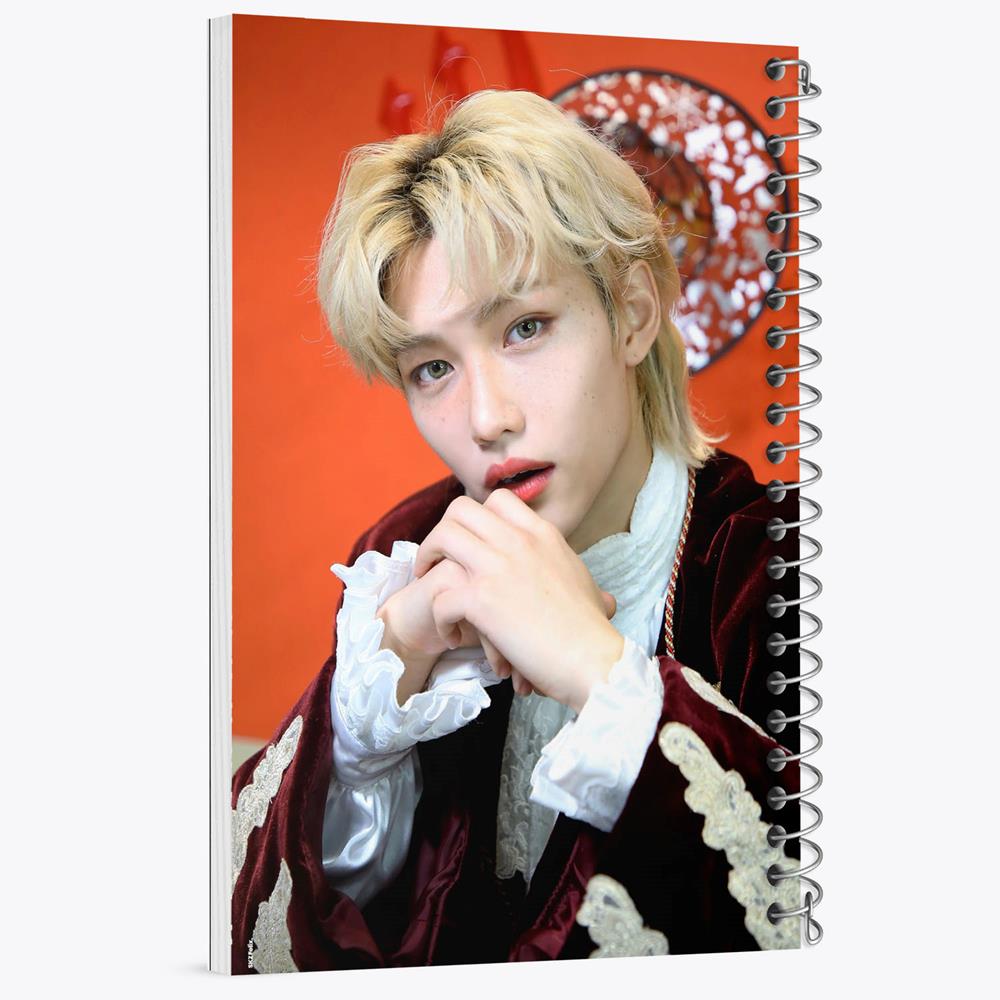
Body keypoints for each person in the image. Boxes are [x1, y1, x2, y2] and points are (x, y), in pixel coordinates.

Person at [230, 89, 801, 973]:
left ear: (633, 312)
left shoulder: (781, 567)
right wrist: (375, 707)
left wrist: (598, 671)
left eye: (525, 327)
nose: (486, 418)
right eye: (432, 368)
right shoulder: (403, 552)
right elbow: (279, 934)